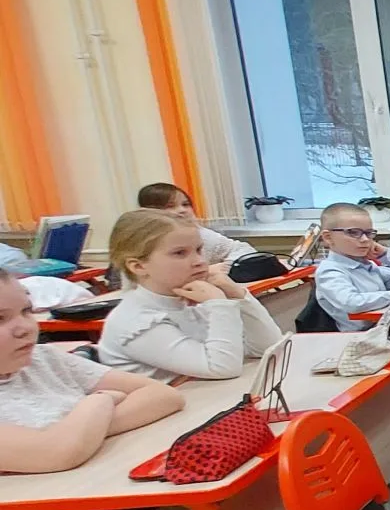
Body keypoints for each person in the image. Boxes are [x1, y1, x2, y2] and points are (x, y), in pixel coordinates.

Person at [0, 268, 184, 472]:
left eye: (26, 311)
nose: (24, 328)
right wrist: (101, 400)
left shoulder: (45, 358)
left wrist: (83, 434)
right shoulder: (97, 396)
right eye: (0, 318)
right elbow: (55, 453)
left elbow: (164, 395)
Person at [99, 210, 284, 381]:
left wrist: (238, 295)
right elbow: (222, 368)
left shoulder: (192, 299)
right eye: (180, 253)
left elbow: (268, 347)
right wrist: (219, 305)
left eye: (199, 250)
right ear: (138, 266)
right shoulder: (135, 321)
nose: (200, 261)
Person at [314, 203, 390, 332]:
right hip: (359, 337)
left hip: (384, 329)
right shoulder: (329, 271)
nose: (365, 239)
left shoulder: (367, 266)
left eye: (369, 233)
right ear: (328, 237)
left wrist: (385, 254)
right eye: (354, 232)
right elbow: (352, 303)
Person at [137, 182, 258, 266]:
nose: (182, 210)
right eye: (170, 206)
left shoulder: (201, 234)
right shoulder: (144, 242)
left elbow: (244, 250)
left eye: (185, 204)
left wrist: (224, 267)